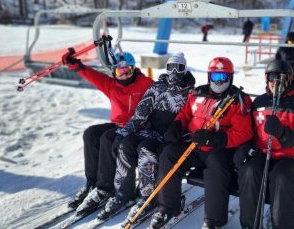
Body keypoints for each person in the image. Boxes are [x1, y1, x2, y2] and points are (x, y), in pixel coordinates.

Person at [149, 57, 254, 229]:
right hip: (194, 144)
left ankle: (213, 219)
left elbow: (244, 132)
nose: (219, 82)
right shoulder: (197, 93)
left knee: (217, 168)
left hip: (220, 148)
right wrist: (177, 125)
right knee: (169, 154)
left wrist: (217, 138)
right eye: (215, 77)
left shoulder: (238, 100)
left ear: (231, 77)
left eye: (223, 77)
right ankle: (168, 206)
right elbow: (185, 114)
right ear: (209, 76)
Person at [95, 53, 196, 220]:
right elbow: (141, 113)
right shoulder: (157, 87)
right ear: (167, 68)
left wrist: (179, 133)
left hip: (172, 136)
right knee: (126, 144)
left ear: (185, 70)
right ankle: (124, 192)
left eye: (180, 68)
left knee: (145, 149)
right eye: (171, 67)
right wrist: (123, 132)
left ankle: (148, 196)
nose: (175, 72)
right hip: (152, 130)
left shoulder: (190, 92)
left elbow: (191, 118)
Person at [63, 51, 154, 216]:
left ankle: (105, 187)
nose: (124, 74)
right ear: (114, 72)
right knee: (90, 134)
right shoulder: (112, 85)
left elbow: (161, 98)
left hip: (138, 127)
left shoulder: (145, 83)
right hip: (119, 125)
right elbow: (94, 77)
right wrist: (77, 66)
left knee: (107, 138)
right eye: (120, 71)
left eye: (127, 70)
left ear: (133, 68)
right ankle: (92, 182)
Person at [234, 59, 294, 229]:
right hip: (262, 154)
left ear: (289, 79)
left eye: (281, 77)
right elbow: (248, 131)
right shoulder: (259, 103)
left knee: (282, 177)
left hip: (291, 158)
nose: (276, 82)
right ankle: (249, 225)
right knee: (249, 171)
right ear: (266, 79)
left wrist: (284, 134)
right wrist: (244, 147)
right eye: (272, 77)